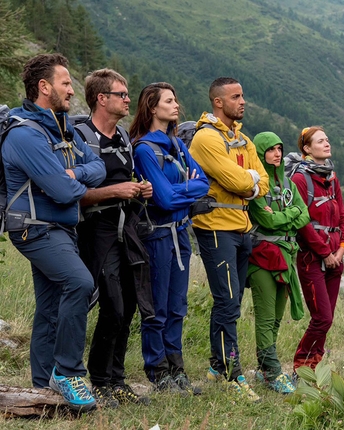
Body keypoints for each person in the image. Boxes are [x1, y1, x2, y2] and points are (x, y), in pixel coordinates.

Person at [1, 53, 106, 411]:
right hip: (35, 229)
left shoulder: (63, 128)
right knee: (79, 283)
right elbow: (62, 192)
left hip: (60, 227)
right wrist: (72, 181)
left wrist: (73, 175)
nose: (72, 89)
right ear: (44, 87)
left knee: (49, 308)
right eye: (65, 82)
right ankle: (69, 371)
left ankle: (42, 387)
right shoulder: (24, 136)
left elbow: (98, 167)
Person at [76, 69, 154, 407]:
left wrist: (139, 190)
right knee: (112, 305)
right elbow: (72, 191)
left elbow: (127, 181)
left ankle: (118, 380)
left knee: (132, 304)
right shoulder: (80, 136)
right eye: (121, 94)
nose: (127, 99)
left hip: (127, 227)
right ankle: (100, 381)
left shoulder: (123, 137)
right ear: (101, 98)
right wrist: (114, 191)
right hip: (96, 229)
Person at [189, 77, 269, 402]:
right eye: (236, 96)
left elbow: (261, 182)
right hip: (215, 226)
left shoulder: (242, 139)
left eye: (243, 95)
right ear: (218, 102)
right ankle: (229, 372)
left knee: (233, 300)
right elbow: (237, 179)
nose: (243, 101)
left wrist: (248, 182)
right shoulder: (205, 138)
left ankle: (215, 366)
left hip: (240, 225)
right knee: (226, 300)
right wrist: (247, 180)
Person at [129, 82, 209, 395]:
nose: (176, 106)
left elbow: (204, 183)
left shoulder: (177, 144)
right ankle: (158, 371)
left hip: (180, 234)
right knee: (157, 308)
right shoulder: (145, 150)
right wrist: (186, 191)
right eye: (169, 101)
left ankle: (177, 371)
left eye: (175, 100)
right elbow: (162, 199)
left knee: (177, 306)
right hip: (158, 237)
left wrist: (180, 192)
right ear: (152, 107)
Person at [247, 131, 310, 394]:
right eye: (271, 149)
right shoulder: (256, 184)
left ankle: (265, 369)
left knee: (277, 317)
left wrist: (289, 212)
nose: (277, 154)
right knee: (265, 316)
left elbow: (304, 215)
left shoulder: (288, 183)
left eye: (280, 149)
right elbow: (266, 220)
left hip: (288, 254)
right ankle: (273, 372)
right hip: (264, 256)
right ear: (261, 152)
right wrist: (291, 213)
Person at [286, 126, 344, 373]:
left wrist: (341, 250)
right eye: (320, 140)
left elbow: (343, 216)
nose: (327, 143)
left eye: (327, 140)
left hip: (337, 258)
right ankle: (301, 366)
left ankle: (314, 366)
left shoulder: (331, 177)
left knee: (327, 319)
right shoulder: (300, 179)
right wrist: (325, 253)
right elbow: (303, 223)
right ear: (307, 148)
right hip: (313, 258)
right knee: (322, 318)